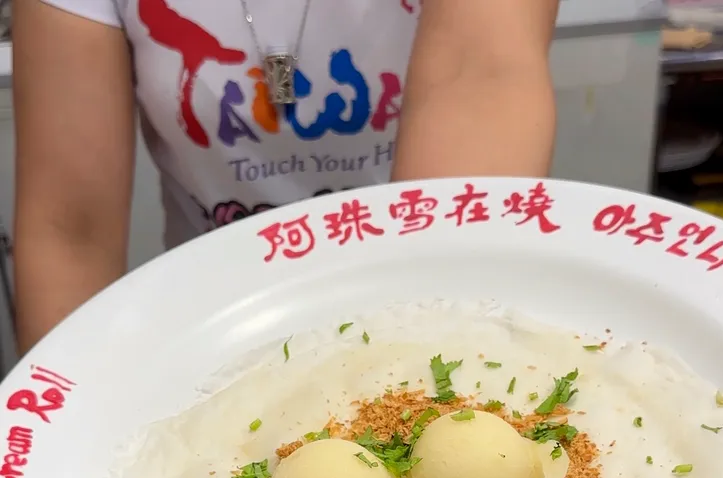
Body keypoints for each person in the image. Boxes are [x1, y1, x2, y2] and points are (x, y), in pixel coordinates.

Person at [13, 0, 558, 353]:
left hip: (413, 307)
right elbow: (69, 233)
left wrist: (414, 365)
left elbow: (477, 87)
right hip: (209, 334)